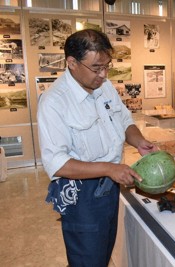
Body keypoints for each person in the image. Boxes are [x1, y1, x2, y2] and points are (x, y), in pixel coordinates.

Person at [37, 29, 158, 267]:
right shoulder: (54, 102)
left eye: (107, 66)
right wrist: (109, 168)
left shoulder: (104, 86)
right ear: (72, 63)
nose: (103, 74)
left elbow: (124, 121)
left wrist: (138, 141)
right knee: (87, 260)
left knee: (102, 254)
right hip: (82, 197)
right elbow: (57, 163)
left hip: (109, 188)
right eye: (96, 68)